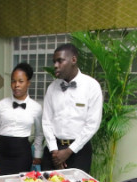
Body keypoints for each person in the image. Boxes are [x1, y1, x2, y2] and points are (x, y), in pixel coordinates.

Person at [40, 43, 102, 173]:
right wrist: (54, 151)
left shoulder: (91, 86)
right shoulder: (52, 88)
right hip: (53, 150)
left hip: (78, 151)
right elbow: (46, 121)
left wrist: (68, 151)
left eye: (60, 61)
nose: (55, 65)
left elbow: (92, 124)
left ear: (73, 60)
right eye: (54, 62)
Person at [0, 62, 43, 175]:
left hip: (22, 155)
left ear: (28, 83)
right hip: (1, 154)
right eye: (13, 81)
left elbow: (39, 134)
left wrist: (38, 155)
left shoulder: (36, 108)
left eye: (20, 81)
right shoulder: (1, 104)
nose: (16, 85)